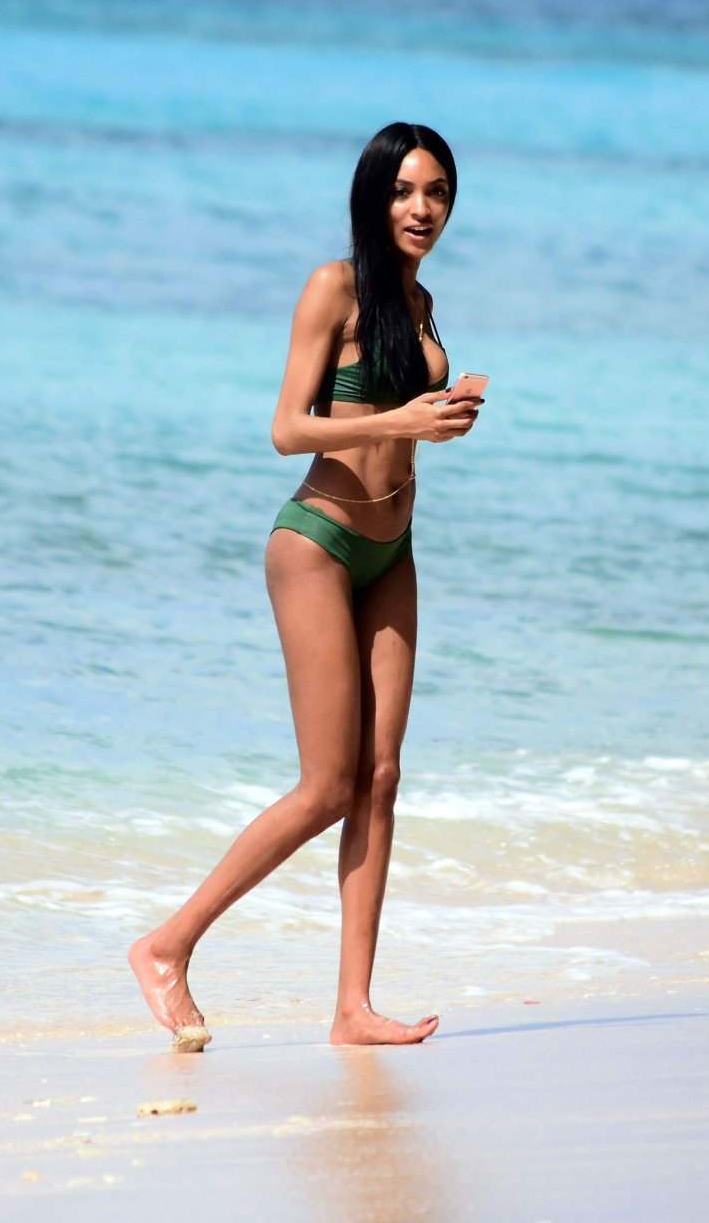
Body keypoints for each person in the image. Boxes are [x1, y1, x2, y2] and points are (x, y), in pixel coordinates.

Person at [129, 121, 482, 1048]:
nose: (421, 209)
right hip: (319, 543)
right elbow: (288, 428)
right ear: (373, 197)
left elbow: (400, 422)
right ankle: (166, 946)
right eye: (404, 191)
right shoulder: (335, 287)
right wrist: (402, 418)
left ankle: (352, 1008)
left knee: (381, 778)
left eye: (437, 193)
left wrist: (441, 420)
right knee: (327, 785)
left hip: (394, 551)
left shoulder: (422, 302)